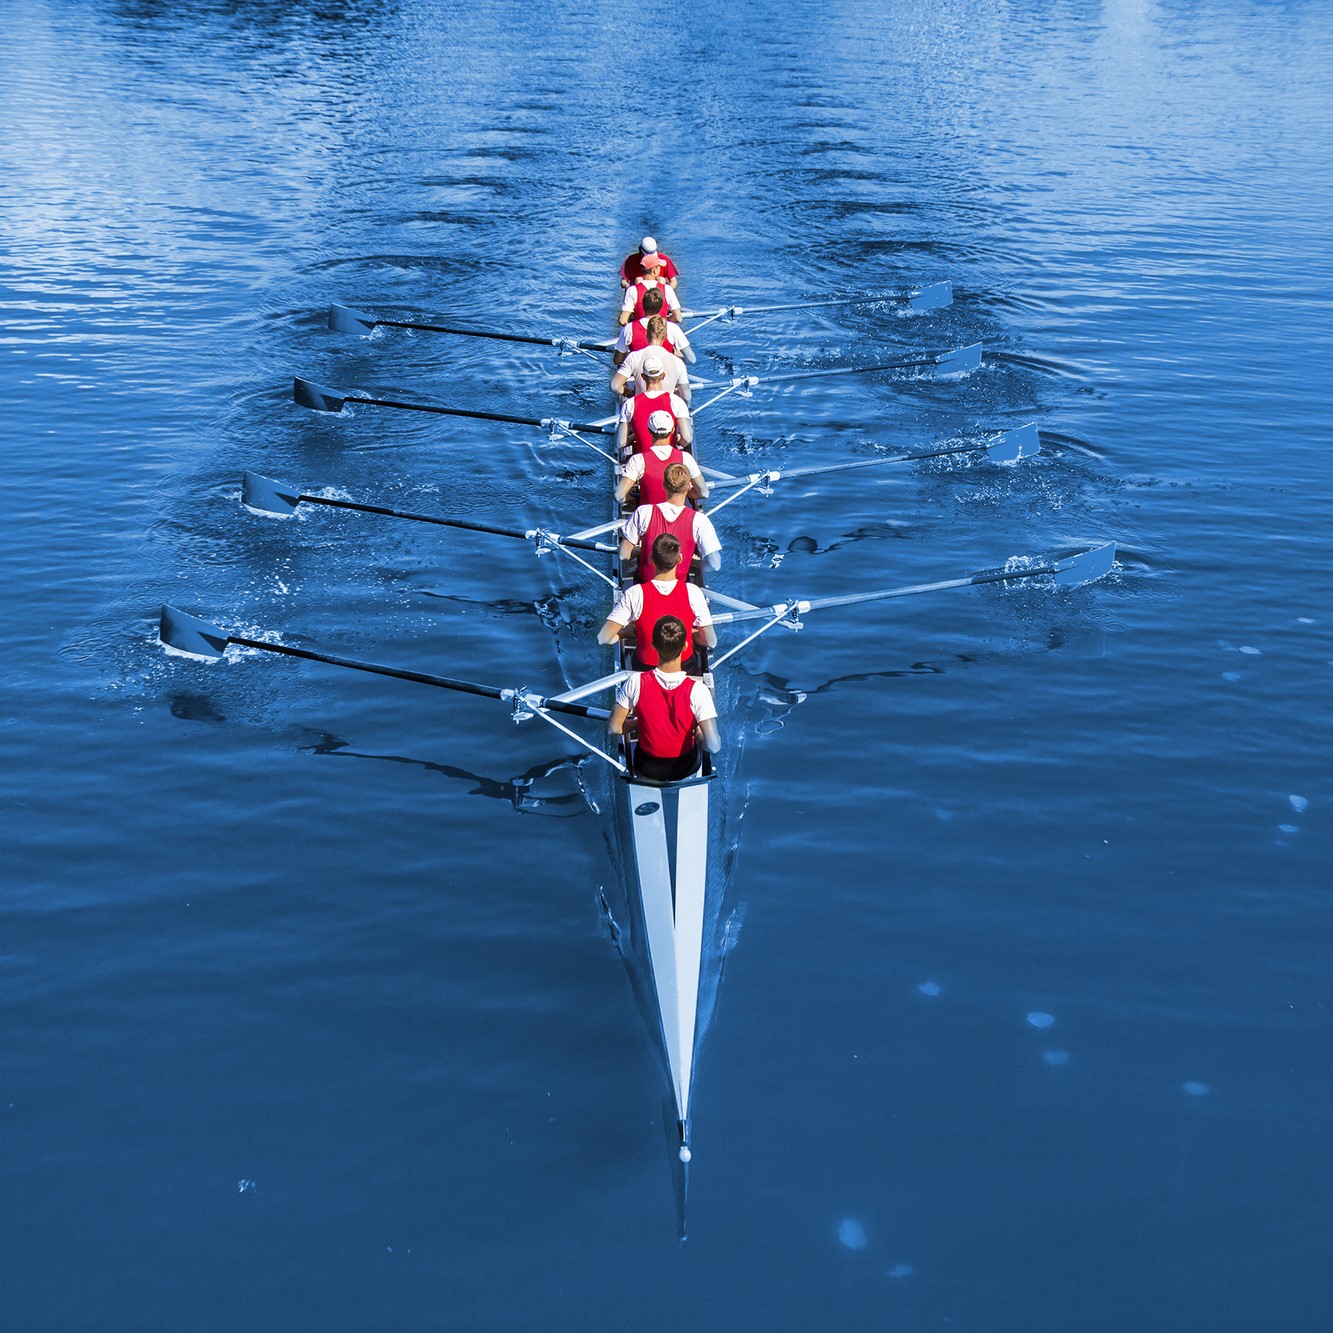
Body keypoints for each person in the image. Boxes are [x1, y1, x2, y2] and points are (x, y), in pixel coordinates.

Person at [609, 615, 721, 783]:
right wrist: (698, 734)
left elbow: (614, 728)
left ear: (653, 645)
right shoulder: (699, 690)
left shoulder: (635, 682)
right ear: (685, 646)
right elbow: (714, 746)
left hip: (646, 768)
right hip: (686, 768)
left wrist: (638, 723)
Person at [599, 533, 717, 668]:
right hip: (685, 666)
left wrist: (625, 633)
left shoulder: (635, 593)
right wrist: (687, 633)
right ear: (679, 559)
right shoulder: (693, 592)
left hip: (644, 667)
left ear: (650, 559)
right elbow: (711, 642)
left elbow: (603, 638)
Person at [620, 462, 721, 582]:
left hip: (645, 584)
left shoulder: (643, 512)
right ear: (689, 486)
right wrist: (695, 562)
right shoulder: (699, 520)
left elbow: (623, 555)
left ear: (664, 485)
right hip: (679, 584)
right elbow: (715, 565)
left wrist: (640, 551)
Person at [616, 412, 707, 507]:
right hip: (678, 514)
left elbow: (619, 496)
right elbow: (704, 493)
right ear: (672, 430)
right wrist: (683, 491)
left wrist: (631, 498)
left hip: (648, 514)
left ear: (649, 431)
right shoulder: (686, 458)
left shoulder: (638, 460)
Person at [616, 360, 692, 455]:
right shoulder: (676, 401)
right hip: (671, 458)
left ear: (643, 377)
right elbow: (687, 439)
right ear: (663, 376)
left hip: (642, 458)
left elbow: (620, 443)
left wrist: (633, 437)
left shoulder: (630, 403)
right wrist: (675, 439)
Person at [612, 325, 691, 403]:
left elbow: (615, 386)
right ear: (665, 337)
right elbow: (687, 397)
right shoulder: (678, 361)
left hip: (639, 404)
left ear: (646, 335)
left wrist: (627, 392)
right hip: (667, 406)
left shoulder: (633, 356)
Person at [612, 293, 694, 367]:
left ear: (642, 306)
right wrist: (674, 359)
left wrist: (631, 356)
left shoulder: (629, 328)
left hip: (637, 376)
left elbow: (617, 360)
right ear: (662, 307)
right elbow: (691, 359)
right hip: (666, 374)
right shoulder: (673, 328)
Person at [619, 252, 682, 325]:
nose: (660, 269)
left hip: (639, 330)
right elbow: (678, 318)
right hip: (660, 329)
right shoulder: (667, 289)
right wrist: (664, 320)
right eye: (659, 267)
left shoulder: (632, 290)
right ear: (654, 270)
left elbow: (622, 320)